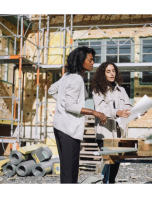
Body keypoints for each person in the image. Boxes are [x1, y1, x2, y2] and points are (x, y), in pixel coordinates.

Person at [48, 46, 107, 184]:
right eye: (90, 60)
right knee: (71, 171)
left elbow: (52, 90)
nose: (93, 63)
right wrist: (94, 112)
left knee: (67, 169)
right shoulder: (76, 79)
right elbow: (70, 105)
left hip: (59, 126)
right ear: (81, 60)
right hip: (68, 128)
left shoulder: (67, 76)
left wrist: (62, 103)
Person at [91, 62, 147, 183]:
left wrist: (137, 112)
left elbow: (127, 109)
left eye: (113, 71)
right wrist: (117, 112)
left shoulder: (121, 90)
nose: (112, 73)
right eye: (108, 71)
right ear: (102, 74)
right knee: (109, 162)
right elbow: (101, 109)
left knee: (115, 167)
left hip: (120, 135)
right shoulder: (98, 90)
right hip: (105, 135)